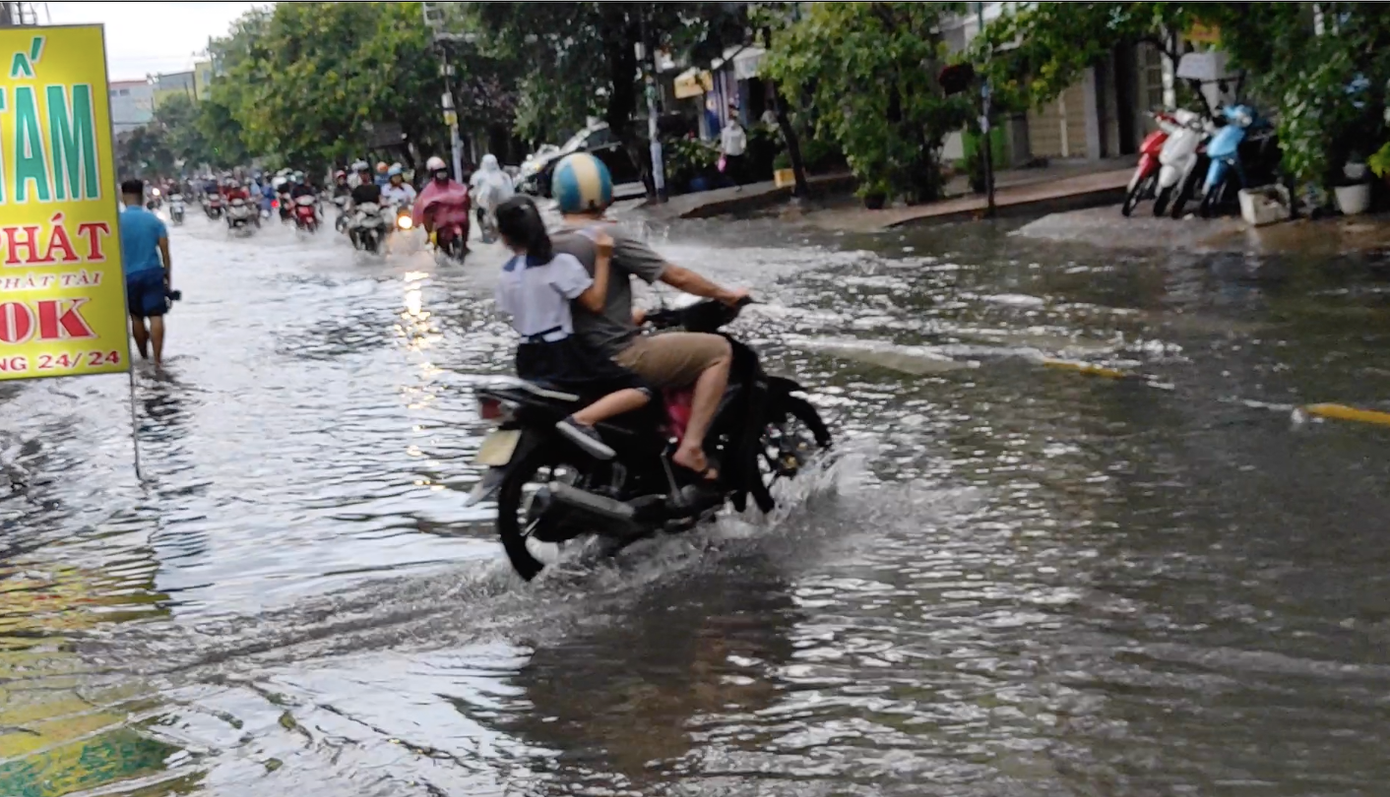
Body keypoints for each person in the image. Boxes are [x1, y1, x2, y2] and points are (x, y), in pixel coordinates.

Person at [549, 153, 747, 479]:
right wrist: (726, 294)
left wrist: (627, 319)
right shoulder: (608, 236)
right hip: (620, 356)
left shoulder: (551, 243)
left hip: (577, 360)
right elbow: (676, 276)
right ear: (605, 191)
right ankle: (692, 447)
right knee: (718, 352)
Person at [493, 195, 650, 460]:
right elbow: (596, 303)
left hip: (527, 358)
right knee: (642, 388)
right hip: (562, 355)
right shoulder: (560, 265)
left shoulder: (505, 274)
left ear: (504, 236)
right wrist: (602, 257)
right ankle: (581, 421)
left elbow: (516, 313)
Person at [118, 179, 173, 369]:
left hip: (127, 276)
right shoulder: (154, 220)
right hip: (152, 274)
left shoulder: (116, 222)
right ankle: (158, 361)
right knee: (156, 315)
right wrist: (167, 278)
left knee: (136, 317)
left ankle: (143, 357)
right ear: (142, 197)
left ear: (123, 197)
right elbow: (165, 253)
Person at [412, 155, 471, 248]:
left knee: (466, 220)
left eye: (443, 172)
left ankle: (465, 243)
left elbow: (464, 194)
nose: (442, 175)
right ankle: (431, 238)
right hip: (439, 219)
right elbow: (421, 203)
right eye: (439, 172)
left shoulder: (454, 184)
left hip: (457, 217)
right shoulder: (428, 187)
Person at [470, 153, 513, 238]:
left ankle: (492, 232)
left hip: (496, 202)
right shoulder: (479, 176)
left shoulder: (503, 176)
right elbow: (474, 189)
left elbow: (510, 189)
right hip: (488, 202)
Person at [720, 108, 747, 189]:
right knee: (731, 169)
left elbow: (743, 139)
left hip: (739, 152)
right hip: (730, 153)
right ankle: (734, 184)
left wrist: (743, 146)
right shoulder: (725, 131)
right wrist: (723, 153)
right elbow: (724, 143)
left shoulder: (740, 130)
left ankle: (739, 183)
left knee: (739, 169)